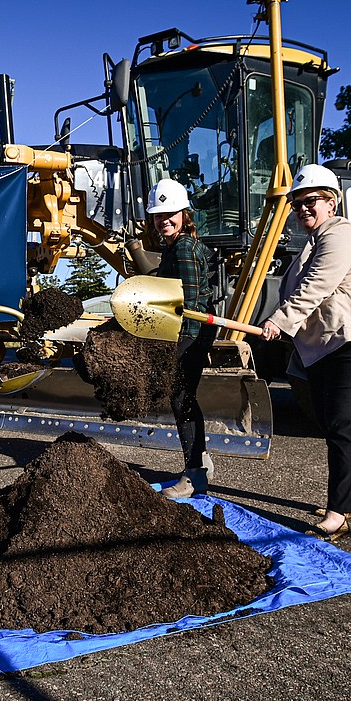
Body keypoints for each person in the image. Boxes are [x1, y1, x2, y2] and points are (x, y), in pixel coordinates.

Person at [260, 164, 351, 541]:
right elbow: (299, 291)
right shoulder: (309, 245)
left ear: (332, 202)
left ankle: (337, 513)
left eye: (311, 201)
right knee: (335, 424)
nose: (303, 209)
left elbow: (316, 286)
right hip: (333, 346)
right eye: (297, 204)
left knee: (342, 426)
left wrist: (279, 322)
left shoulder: (341, 235)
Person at [148, 179, 218, 499]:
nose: (164, 220)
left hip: (191, 332)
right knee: (183, 398)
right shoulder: (177, 246)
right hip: (189, 332)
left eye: (170, 214)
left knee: (182, 400)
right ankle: (200, 461)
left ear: (184, 213)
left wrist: (177, 346)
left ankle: (194, 476)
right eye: (158, 215)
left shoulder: (184, 248)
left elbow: (190, 303)